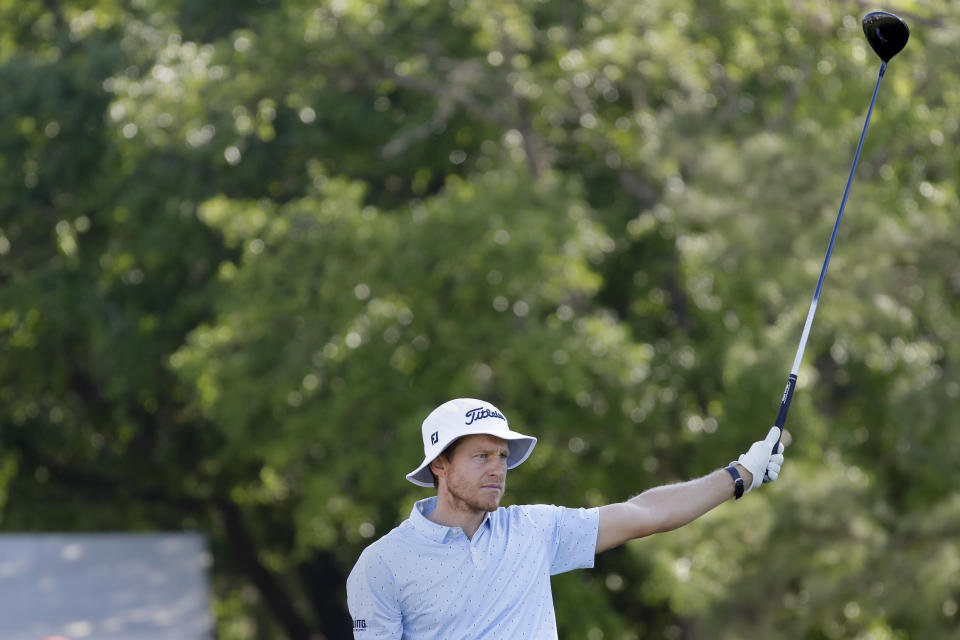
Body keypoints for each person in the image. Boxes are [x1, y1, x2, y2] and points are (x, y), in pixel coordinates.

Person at [347, 398, 785, 638]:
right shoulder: (382, 565)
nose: (498, 469)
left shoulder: (533, 530)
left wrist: (739, 475)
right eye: (481, 456)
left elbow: (645, 513)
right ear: (439, 465)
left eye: (502, 456)